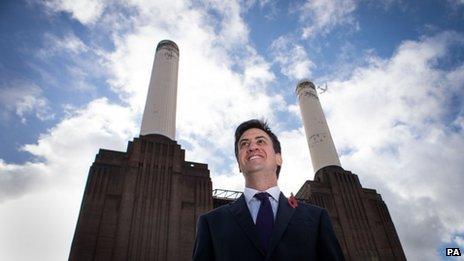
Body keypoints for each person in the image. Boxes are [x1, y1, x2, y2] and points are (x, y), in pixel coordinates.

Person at [192, 119, 344, 261]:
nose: (252, 147)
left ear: (278, 158)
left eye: (260, 141)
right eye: (244, 144)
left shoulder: (316, 218)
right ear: (239, 164)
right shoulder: (211, 223)